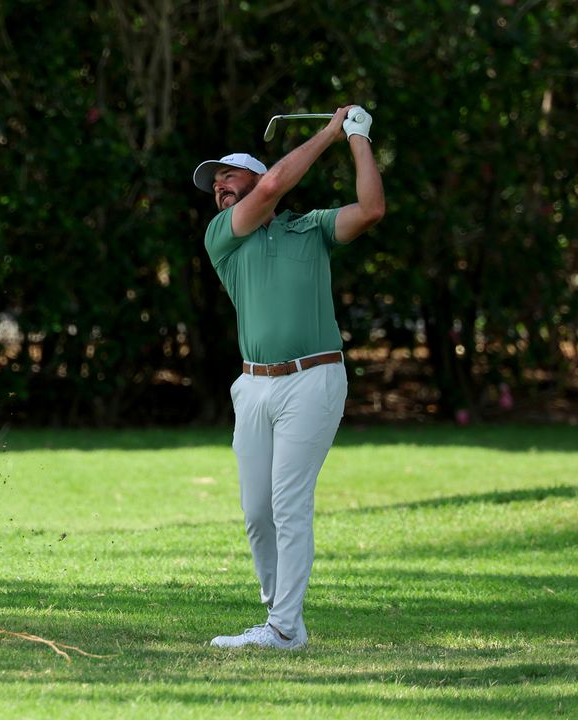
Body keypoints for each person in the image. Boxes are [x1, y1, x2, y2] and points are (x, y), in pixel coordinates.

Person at [192, 105, 384, 648]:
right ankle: (284, 621)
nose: (220, 188)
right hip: (252, 387)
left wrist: (357, 138)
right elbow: (275, 182)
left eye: (230, 176)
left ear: (253, 178)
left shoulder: (312, 228)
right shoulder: (221, 237)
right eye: (215, 183)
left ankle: (281, 627)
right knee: (257, 512)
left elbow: (371, 209)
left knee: (287, 502)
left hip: (314, 379)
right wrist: (329, 129)